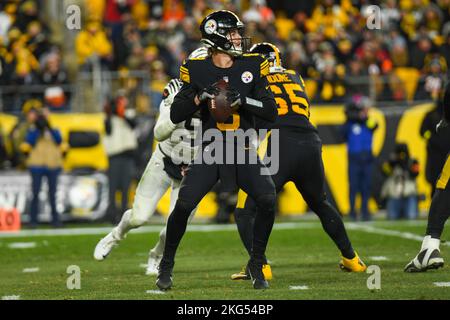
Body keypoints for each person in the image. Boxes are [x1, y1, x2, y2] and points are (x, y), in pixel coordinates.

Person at [156, 10, 278, 291]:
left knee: (268, 198)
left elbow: (270, 112)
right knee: (184, 204)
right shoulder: (196, 69)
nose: (238, 37)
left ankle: (257, 263)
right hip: (212, 148)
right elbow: (176, 113)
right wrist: (200, 96)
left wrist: (243, 100)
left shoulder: (253, 64)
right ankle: (166, 265)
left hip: (242, 147)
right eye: (233, 33)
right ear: (217, 36)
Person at [231, 43, 367, 281]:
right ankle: (352, 258)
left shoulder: (253, 78)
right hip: (310, 141)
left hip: (279, 143)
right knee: (320, 203)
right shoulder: (296, 77)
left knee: (245, 209)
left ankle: (260, 265)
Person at [93, 47, 208, 275]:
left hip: (195, 168)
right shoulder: (175, 90)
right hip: (165, 160)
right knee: (139, 218)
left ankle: (156, 255)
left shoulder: (220, 94)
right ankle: (116, 235)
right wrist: (187, 108)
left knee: (175, 225)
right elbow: (159, 131)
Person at [404, 82, 450, 272]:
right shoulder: (429, 114)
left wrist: (447, 118)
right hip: (436, 153)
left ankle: (430, 247)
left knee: (445, 186)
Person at [20, 106, 65, 228]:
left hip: (52, 165)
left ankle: (55, 221)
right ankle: (33, 221)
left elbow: (59, 140)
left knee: (53, 194)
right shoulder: (32, 129)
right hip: (36, 165)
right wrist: (39, 129)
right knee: (35, 193)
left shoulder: (54, 128)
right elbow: (29, 142)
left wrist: (48, 127)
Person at [341, 96, 378, 221]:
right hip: (354, 158)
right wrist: (352, 117)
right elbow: (342, 133)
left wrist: (362, 117)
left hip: (367, 158)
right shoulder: (350, 124)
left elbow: (374, 126)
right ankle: (352, 211)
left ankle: (365, 211)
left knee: (366, 186)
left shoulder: (369, 122)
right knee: (354, 186)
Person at [103, 94, 138, 224]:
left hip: (128, 155)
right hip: (114, 156)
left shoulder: (129, 113)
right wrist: (110, 114)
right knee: (112, 187)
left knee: (125, 187)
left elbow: (133, 125)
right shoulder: (108, 118)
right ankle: (111, 215)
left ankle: (124, 215)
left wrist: (122, 114)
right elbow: (108, 130)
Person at [381, 143, 420, 220]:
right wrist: (394, 163)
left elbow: (415, 174)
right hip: (394, 196)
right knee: (392, 218)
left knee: (411, 216)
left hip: (409, 195)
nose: (402, 156)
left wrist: (406, 165)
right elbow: (384, 171)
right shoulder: (392, 163)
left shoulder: (413, 162)